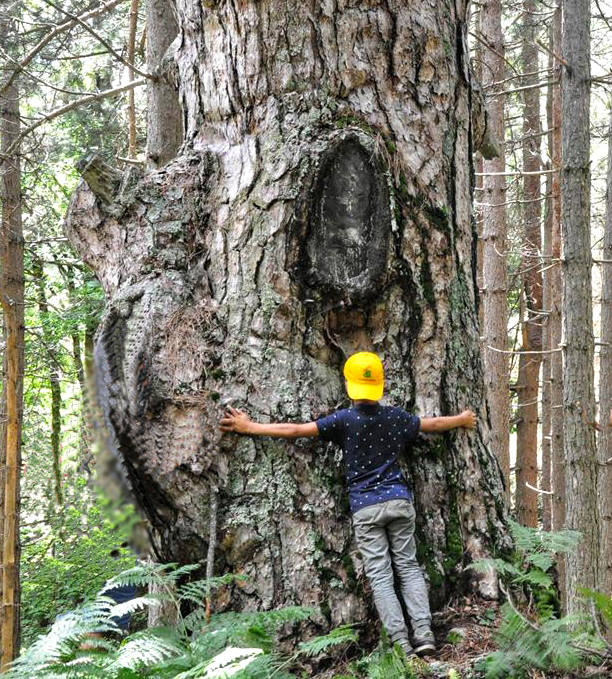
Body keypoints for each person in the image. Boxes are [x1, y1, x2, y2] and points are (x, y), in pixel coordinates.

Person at [219, 351, 476, 657]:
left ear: (350, 386)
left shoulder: (343, 420)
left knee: (381, 575)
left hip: (366, 508)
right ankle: (424, 634)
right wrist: (461, 420)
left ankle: (401, 644)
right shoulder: (397, 417)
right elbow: (431, 424)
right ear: (379, 385)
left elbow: (296, 431)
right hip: (398, 501)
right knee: (407, 567)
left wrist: (251, 427)